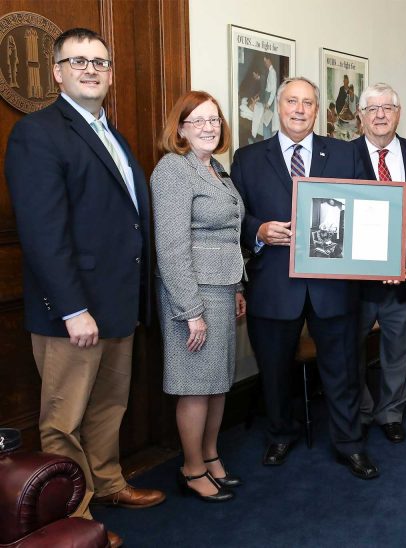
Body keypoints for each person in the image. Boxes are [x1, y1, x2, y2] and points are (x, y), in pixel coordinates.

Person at [4, 27, 165, 548]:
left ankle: (110, 484)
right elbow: (43, 232)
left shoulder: (108, 132)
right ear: (57, 72)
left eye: (99, 61)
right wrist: (72, 308)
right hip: (72, 312)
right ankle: (79, 517)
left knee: (107, 409)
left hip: (116, 304)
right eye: (78, 61)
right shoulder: (39, 132)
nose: (90, 68)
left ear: (111, 73)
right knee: (64, 420)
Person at [231, 76, 378, 480]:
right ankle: (280, 433)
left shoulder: (346, 153)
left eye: (308, 103)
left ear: (318, 110)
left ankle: (349, 444)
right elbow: (234, 216)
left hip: (332, 286)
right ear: (279, 107)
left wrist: (379, 256)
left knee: (343, 369)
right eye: (292, 101)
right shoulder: (248, 157)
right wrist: (258, 231)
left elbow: (367, 208)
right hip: (274, 284)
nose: (299, 109)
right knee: (274, 370)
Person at [151, 91, 246, 503]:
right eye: (199, 120)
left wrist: (238, 286)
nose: (210, 127)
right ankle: (191, 470)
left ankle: (209, 456)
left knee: (218, 383)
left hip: (223, 289)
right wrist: (191, 311)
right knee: (195, 385)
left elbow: (228, 235)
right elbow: (171, 247)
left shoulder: (215, 169)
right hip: (192, 294)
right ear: (181, 128)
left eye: (215, 120)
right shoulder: (173, 170)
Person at [353, 83, 406, 443]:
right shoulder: (342, 155)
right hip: (355, 279)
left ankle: (391, 412)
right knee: (349, 346)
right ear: (361, 116)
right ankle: (362, 410)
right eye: (372, 109)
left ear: (399, 113)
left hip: (404, 274)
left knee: (400, 349)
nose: (380, 115)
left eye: (388, 108)